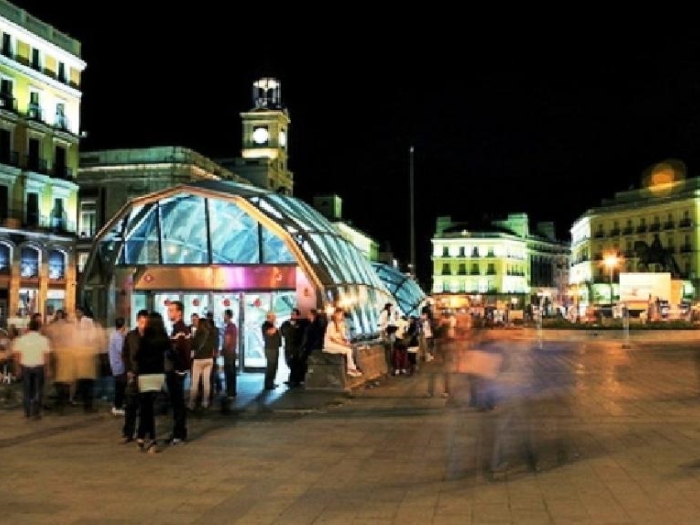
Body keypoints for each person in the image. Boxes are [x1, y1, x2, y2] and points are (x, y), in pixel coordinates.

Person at [133, 312, 168, 454]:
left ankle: (150, 439)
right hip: (158, 374)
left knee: (145, 408)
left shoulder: (145, 338)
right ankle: (142, 437)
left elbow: (137, 356)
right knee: (148, 407)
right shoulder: (163, 338)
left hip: (145, 374)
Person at [12, 317, 51, 419]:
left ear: (28, 327)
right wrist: (47, 370)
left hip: (25, 367)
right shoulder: (44, 340)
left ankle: (27, 411)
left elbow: (17, 356)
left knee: (27, 390)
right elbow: (46, 357)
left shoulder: (21, 340)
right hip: (39, 367)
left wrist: (17, 369)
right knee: (38, 390)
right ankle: (36, 412)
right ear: (39, 328)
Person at [120, 309, 148, 444]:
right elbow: (125, 354)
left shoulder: (151, 337)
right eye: (142, 322)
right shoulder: (131, 336)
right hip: (133, 374)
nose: (144, 325)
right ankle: (128, 432)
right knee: (130, 405)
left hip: (147, 375)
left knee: (145, 406)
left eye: (146, 322)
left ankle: (142, 433)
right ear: (138, 321)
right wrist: (128, 370)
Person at [166, 300, 191, 445]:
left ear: (179, 312)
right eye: (169, 310)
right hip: (178, 371)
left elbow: (181, 352)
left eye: (172, 310)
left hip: (177, 372)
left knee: (178, 404)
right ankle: (178, 432)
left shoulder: (180, 330)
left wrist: (180, 371)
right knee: (177, 403)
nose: (170, 313)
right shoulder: (178, 329)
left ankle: (179, 433)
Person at [323, 308, 362, 377]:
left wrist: (346, 341)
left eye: (342, 314)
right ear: (336, 315)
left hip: (338, 343)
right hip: (330, 344)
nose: (341, 316)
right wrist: (342, 344)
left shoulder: (341, 324)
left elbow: (343, 336)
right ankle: (351, 369)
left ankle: (356, 367)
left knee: (353, 347)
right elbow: (332, 338)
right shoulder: (331, 324)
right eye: (340, 314)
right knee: (348, 350)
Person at [188, 317, 216, 410]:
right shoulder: (211, 334)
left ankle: (192, 403)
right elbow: (214, 346)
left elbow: (193, 346)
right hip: (209, 360)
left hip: (198, 360)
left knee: (195, 382)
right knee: (206, 382)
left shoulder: (198, 334)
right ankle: (205, 402)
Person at [280, 308, 309, 387]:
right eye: (292, 314)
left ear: (297, 315)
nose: (293, 315)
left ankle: (294, 380)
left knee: (296, 363)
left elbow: (303, 334)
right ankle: (293, 379)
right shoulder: (286, 323)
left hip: (297, 347)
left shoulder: (301, 324)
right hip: (289, 347)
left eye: (294, 314)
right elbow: (282, 332)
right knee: (290, 362)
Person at [108, 317, 127, 416]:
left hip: (116, 364)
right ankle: (117, 406)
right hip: (119, 365)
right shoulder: (118, 337)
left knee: (120, 386)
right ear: (123, 325)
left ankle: (118, 405)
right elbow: (121, 351)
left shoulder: (114, 334)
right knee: (120, 387)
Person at [261, 312, 282, 390]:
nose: (275, 318)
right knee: (271, 366)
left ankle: (271, 382)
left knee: (274, 366)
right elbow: (270, 332)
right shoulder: (265, 325)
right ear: (269, 317)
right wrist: (276, 329)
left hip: (274, 348)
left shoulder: (272, 325)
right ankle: (268, 384)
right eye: (273, 317)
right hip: (270, 349)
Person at [221, 309, 238, 398]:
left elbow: (227, 341)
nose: (223, 317)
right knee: (232, 372)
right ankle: (233, 391)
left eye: (224, 315)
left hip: (228, 353)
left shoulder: (229, 328)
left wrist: (223, 350)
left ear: (228, 316)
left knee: (229, 373)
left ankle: (230, 392)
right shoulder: (234, 326)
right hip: (233, 352)